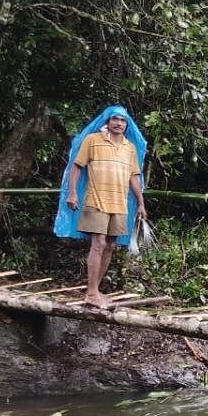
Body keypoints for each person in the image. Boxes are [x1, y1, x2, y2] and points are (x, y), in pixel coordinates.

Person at [55, 105, 148, 309]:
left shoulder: (129, 147)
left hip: (119, 203)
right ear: (107, 121)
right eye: (115, 119)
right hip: (95, 200)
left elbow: (134, 177)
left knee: (111, 245)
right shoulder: (92, 141)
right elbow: (76, 166)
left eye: (123, 120)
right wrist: (71, 193)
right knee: (98, 243)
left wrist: (140, 203)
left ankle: (95, 291)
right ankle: (91, 292)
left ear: (127, 124)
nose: (119, 123)